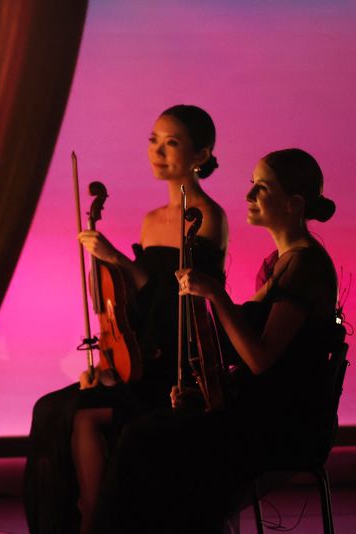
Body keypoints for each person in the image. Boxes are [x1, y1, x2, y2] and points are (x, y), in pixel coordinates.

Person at [93, 148, 341, 533]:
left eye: (261, 188)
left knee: (145, 443)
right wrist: (204, 392)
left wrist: (217, 295)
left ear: (293, 204)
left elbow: (261, 360)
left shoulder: (305, 267)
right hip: (260, 411)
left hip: (283, 425)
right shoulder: (280, 263)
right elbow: (250, 360)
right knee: (145, 438)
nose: (249, 196)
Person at [25, 105, 228, 533]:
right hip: (140, 353)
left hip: (174, 364)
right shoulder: (152, 220)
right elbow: (137, 304)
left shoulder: (209, 217)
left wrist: (116, 258)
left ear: (201, 154)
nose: (157, 150)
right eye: (153, 140)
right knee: (48, 409)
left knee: (82, 415)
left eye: (171, 142)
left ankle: (97, 524)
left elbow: (178, 301)